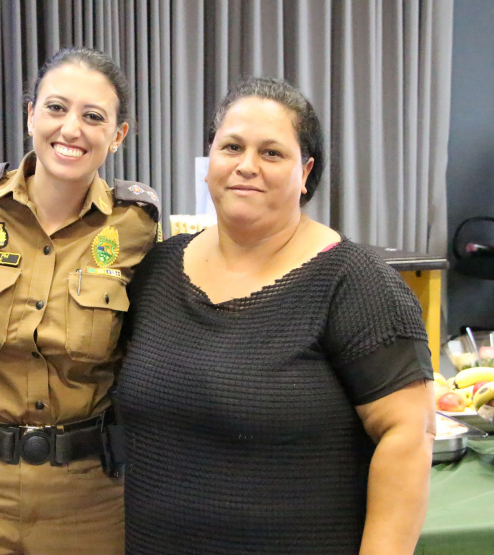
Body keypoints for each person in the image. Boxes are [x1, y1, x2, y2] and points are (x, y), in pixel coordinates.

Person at [119, 77, 436, 554]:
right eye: (232, 147)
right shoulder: (156, 269)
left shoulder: (356, 282)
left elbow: (409, 434)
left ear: (305, 171)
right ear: (210, 163)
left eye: (271, 153)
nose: (247, 166)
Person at [0, 47, 160, 554]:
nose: (71, 129)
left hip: (87, 494)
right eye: (56, 108)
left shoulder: (137, 227)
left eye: (93, 116)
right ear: (30, 113)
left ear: (117, 136)